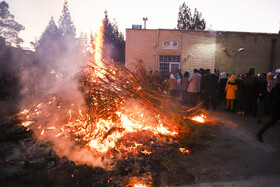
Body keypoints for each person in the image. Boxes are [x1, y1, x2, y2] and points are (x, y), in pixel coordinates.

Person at [256, 73, 280, 142]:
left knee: (272, 122)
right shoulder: (276, 85)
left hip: (274, 105)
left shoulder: (274, 84)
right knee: (272, 121)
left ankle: (260, 133)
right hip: (276, 106)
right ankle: (260, 133)